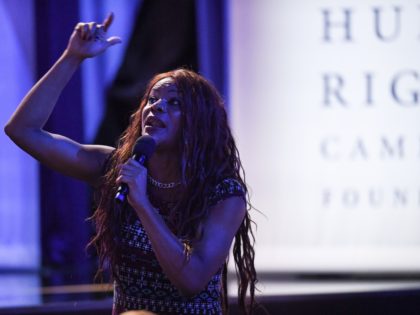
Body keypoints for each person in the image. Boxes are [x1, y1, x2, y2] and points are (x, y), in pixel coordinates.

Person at [5, 13, 257, 315]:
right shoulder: (116, 167)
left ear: (200, 123)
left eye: (173, 102)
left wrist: (143, 205)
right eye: (152, 99)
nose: (156, 107)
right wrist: (72, 57)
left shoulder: (223, 193)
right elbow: (23, 131)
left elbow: (191, 280)